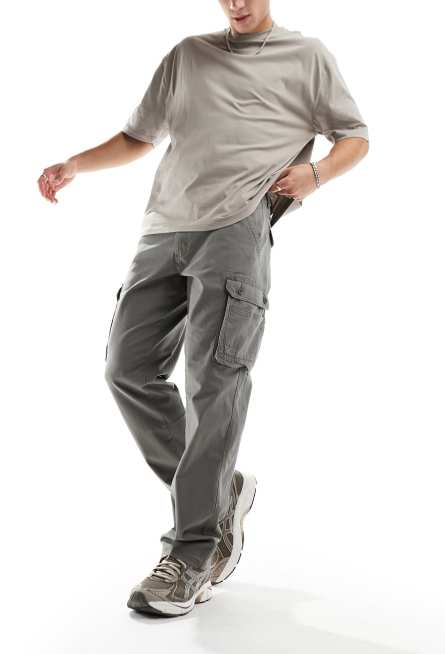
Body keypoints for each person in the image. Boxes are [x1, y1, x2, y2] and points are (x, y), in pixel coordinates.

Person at [37, 1, 369, 617]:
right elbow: (139, 136)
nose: (236, 3)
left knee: (213, 383)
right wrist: (75, 163)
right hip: (165, 227)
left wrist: (318, 174)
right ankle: (221, 493)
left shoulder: (307, 56)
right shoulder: (188, 54)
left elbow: (355, 135)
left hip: (237, 228)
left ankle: (191, 556)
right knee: (127, 370)